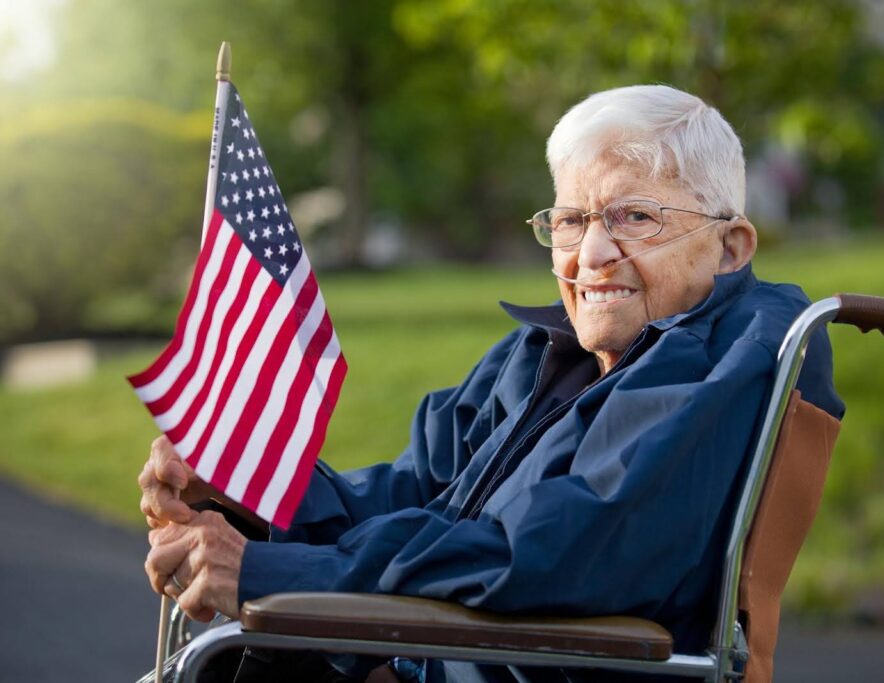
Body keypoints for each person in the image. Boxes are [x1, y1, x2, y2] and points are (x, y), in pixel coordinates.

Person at [140, 84, 844, 681]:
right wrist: (249, 489)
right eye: (571, 220)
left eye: (635, 217)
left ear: (731, 246)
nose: (591, 254)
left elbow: (556, 550)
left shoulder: (737, 353)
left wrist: (272, 575)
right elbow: (414, 494)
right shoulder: (548, 351)